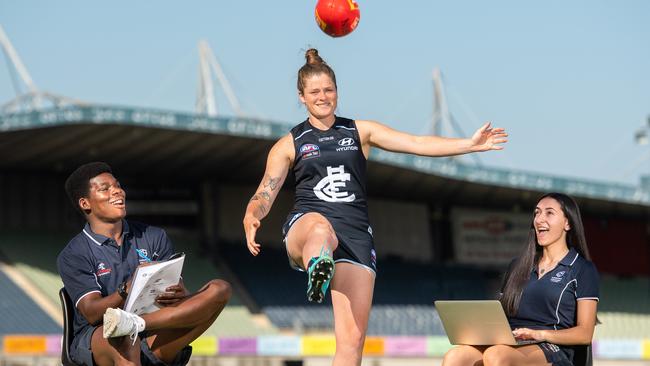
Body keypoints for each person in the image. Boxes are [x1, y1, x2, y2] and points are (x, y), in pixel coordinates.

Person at [242, 48, 508, 366]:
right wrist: (251, 215)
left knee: (352, 343)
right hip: (308, 224)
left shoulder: (360, 131)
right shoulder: (289, 144)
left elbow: (417, 143)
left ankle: (323, 267)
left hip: (355, 236)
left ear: (337, 91)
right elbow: (265, 191)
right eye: (315, 92)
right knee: (320, 230)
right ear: (301, 97)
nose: (323, 96)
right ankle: (318, 267)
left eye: (329, 89)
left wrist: (469, 144)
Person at [57, 162, 231, 366]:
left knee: (221, 288)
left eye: (117, 185)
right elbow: (93, 313)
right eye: (105, 189)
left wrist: (178, 291)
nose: (117, 192)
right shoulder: (74, 253)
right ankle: (126, 327)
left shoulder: (154, 236)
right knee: (123, 339)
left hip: (151, 327)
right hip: (99, 335)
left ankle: (132, 324)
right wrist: (126, 289)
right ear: (85, 203)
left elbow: (177, 293)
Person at [442, 192, 600, 366]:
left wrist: (539, 334)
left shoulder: (582, 268)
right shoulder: (517, 266)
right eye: (537, 213)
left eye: (549, 213)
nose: (539, 219)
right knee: (455, 357)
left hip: (553, 347)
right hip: (511, 341)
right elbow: (502, 314)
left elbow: (584, 334)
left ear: (568, 223)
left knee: (497, 356)